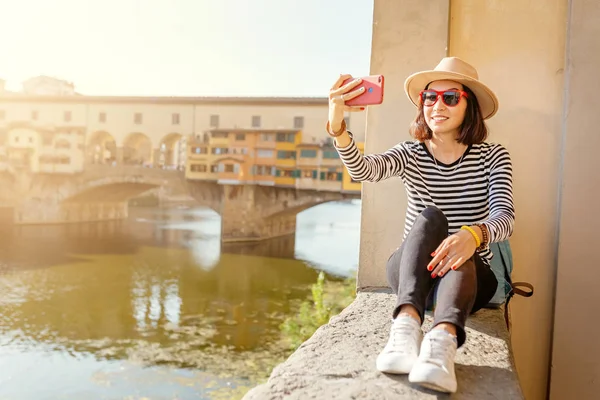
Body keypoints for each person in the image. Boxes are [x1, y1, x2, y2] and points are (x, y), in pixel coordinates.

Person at [326, 57, 514, 394]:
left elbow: (505, 217)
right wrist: (338, 126)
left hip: (466, 280)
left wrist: (473, 235)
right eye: (430, 97)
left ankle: (441, 345)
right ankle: (405, 328)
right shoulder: (411, 153)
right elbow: (364, 171)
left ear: (469, 106)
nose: (437, 105)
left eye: (450, 97)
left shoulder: (493, 156)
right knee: (430, 217)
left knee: (461, 249)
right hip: (414, 274)